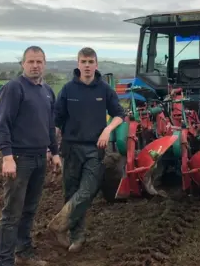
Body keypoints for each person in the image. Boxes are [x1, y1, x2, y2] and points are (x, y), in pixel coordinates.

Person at [47, 47, 125, 252]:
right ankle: (76, 236)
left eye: (91, 62)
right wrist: (51, 148)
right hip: (71, 148)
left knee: (88, 189)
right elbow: (56, 121)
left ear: (96, 65)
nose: (87, 65)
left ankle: (59, 223)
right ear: (78, 64)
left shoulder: (104, 89)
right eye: (84, 62)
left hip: (95, 148)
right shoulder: (67, 90)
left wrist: (108, 130)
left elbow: (119, 114)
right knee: (71, 192)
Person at [0, 45, 62, 266]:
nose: (35, 65)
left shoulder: (47, 91)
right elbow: (3, 125)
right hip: (20, 160)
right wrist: (7, 157)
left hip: (40, 158)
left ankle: (23, 251)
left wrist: (55, 152)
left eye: (39, 61)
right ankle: (4, 261)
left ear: (45, 64)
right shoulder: (14, 88)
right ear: (22, 64)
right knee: (12, 213)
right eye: (31, 61)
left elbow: (49, 126)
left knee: (30, 209)